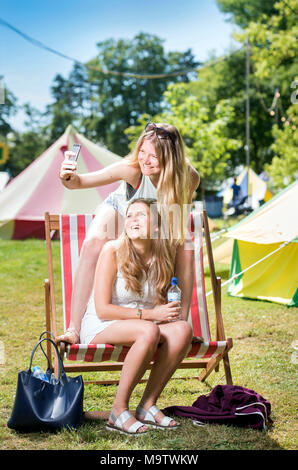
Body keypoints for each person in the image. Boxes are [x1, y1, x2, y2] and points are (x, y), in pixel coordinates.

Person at [57, 122, 200, 344]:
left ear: (171, 158)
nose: (145, 159)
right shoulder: (132, 169)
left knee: (186, 248)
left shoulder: (189, 178)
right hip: (123, 207)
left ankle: (180, 323)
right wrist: (68, 177)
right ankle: (74, 329)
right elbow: (79, 183)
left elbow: (175, 219)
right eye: (142, 151)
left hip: (154, 214)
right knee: (93, 242)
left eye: (153, 156)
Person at [79, 198, 193, 435]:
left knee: (183, 329)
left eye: (141, 215)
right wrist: (151, 315)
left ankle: (147, 405)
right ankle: (118, 411)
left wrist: (166, 314)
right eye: (129, 215)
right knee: (148, 330)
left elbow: (160, 304)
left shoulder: (163, 256)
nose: (132, 220)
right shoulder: (112, 250)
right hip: (104, 323)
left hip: (142, 325)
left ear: (157, 226)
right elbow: (103, 308)